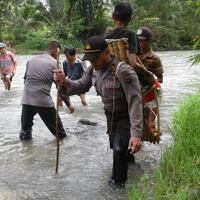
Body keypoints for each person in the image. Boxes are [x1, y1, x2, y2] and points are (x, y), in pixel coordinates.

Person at [54, 36, 143, 188]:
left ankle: (117, 187)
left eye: (95, 58)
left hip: (126, 116)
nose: (93, 62)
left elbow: (135, 102)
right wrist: (64, 81)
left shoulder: (123, 71)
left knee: (119, 148)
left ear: (107, 53)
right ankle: (134, 168)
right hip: (111, 117)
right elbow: (81, 86)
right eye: (90, 59)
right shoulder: (93, 70)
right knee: (122, 151)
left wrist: (136, 134)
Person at [19, 41, 67, 141]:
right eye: (59, 52)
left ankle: (26, 152)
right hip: (43, 101)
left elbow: (25, 80)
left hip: (26, 100)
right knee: (60, 134)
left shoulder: (31, 60)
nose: (59, 55)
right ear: (55, 50)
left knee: (25, 131)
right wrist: (69, 104)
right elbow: (60, 86)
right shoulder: (55, 63)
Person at [104, 1, 155, 86]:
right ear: (130, 18)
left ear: (114, 17)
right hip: (127, 79)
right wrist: (149, 74)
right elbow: (133, 64)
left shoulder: (105, 37)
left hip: (110, 78)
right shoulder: (131, 34)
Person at [137, 26, 164, 133]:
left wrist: (150, 79)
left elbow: (160, 79)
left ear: (148, 41)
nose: (139, 43)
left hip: (147, 91)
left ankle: (152, 122)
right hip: (134, 89)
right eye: (137, 41)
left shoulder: (155, 58)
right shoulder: (132, 55)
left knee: (161, 89)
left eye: (142, 41)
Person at [59, 47, 87, 113]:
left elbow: (86, 74)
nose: (66, 58)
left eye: (67, 56)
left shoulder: (80, 63)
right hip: (69, 83)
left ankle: (86, 113)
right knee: (60, 97)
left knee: (83, 101)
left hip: (79, 84)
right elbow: (65, 74)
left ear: (73, 55)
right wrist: (61, 80)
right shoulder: (65, 63)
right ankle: (61, 113)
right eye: (65, 56)